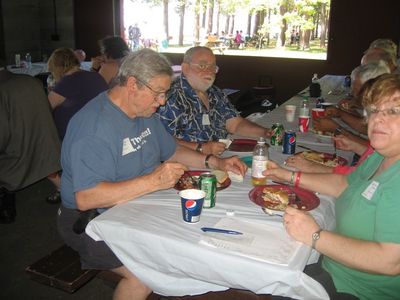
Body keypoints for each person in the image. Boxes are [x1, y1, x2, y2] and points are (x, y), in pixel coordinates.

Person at [57, 49, 246, 300]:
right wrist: (153, 181)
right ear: (133, 84)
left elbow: (171, 150)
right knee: (144, 277)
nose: (163, 101)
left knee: (196, 238)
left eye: (166, 93)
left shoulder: (144, 114)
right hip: (91, 222)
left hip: (135, 206)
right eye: (159, 93)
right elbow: (86, 197)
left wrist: (214, 162)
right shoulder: (94, 127)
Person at [264, 73, 400, 299]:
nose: (378, 119)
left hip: (361, 292)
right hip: (336, 269)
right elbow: (344, 183)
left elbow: (390, 261)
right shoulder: (381, 155)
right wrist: (287, 175)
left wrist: (315, 235)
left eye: (393, 111)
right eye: (374, 110)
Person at [157, 46, 272, 156]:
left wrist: (265, 132)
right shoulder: (170, 98)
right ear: (186, 68)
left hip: (223, 155)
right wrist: (200, 147)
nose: (209, 71)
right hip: (188, 163)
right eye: (202, 66)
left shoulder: (216, 93)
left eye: (213, 67)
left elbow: (235, 124)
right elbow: (162, 139)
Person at [0, 62, 61, 223]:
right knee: (48, 166)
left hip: (20, 147)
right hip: (46, 137)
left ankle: (7, 209)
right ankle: (66, 192)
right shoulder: (30, 80)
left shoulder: (3, 89)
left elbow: (3, 131)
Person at [48, 47, 109, 140]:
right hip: (99, 132)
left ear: (57, 68)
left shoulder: (67, 81)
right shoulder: (96, 76)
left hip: (72, 138)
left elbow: (46, 108)